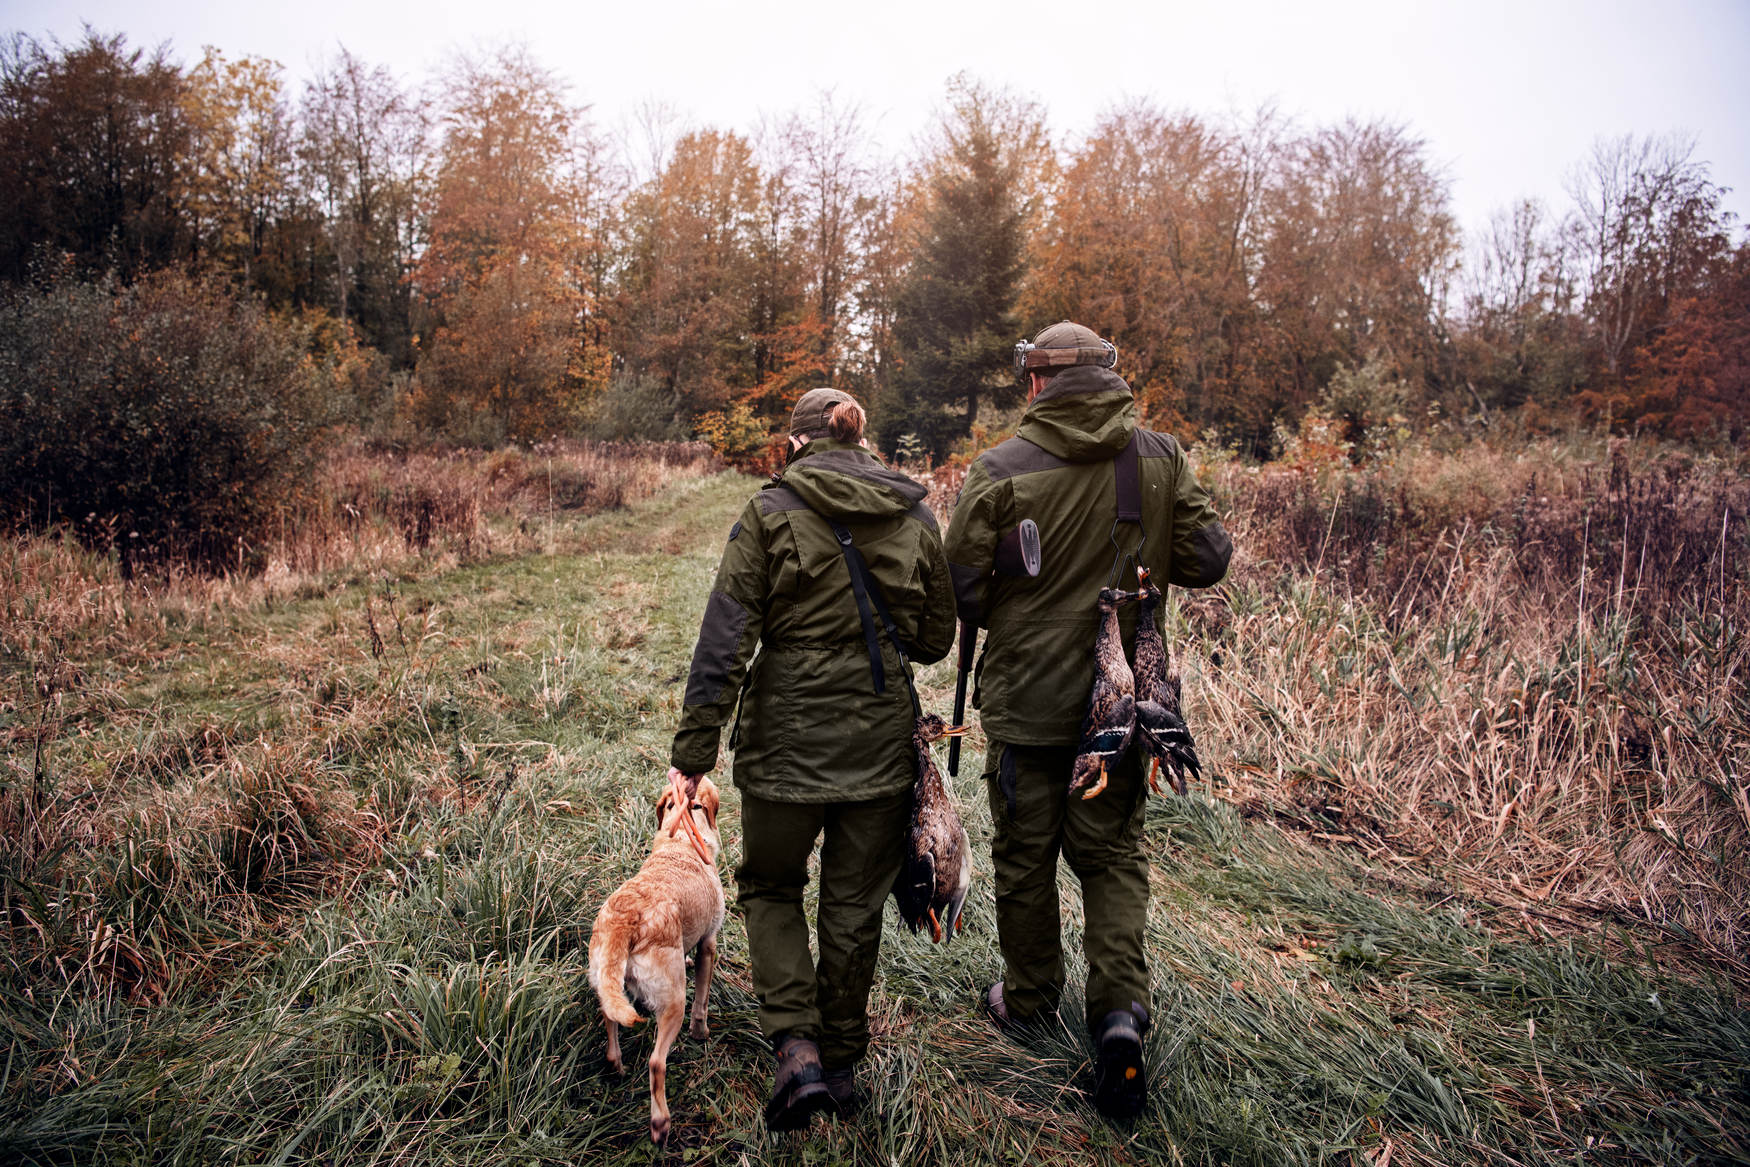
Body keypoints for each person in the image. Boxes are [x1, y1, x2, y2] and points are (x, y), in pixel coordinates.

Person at [943, 321, 1232, 1118]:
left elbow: (957, 593)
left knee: (1026, 856)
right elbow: (1210, 559)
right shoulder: (1161, 459)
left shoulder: (1000, 468)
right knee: (1109, 859)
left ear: (1038, 383)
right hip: (1122, 706)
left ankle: (1031, 997)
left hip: (1029, 706)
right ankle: (1118, 1015)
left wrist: (1013, 581)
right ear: (1108, 378)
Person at [669, 388, 955, 1129]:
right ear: (862, 443)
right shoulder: (915, 513)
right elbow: (932, 640)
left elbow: (725, 639)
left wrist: (693, 754)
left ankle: (795, 1048)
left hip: (783, 748)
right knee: (854, 905)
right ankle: (844, 1061)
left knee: (770, 886)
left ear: (795, 444)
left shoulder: (769, 514)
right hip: (879, 747)